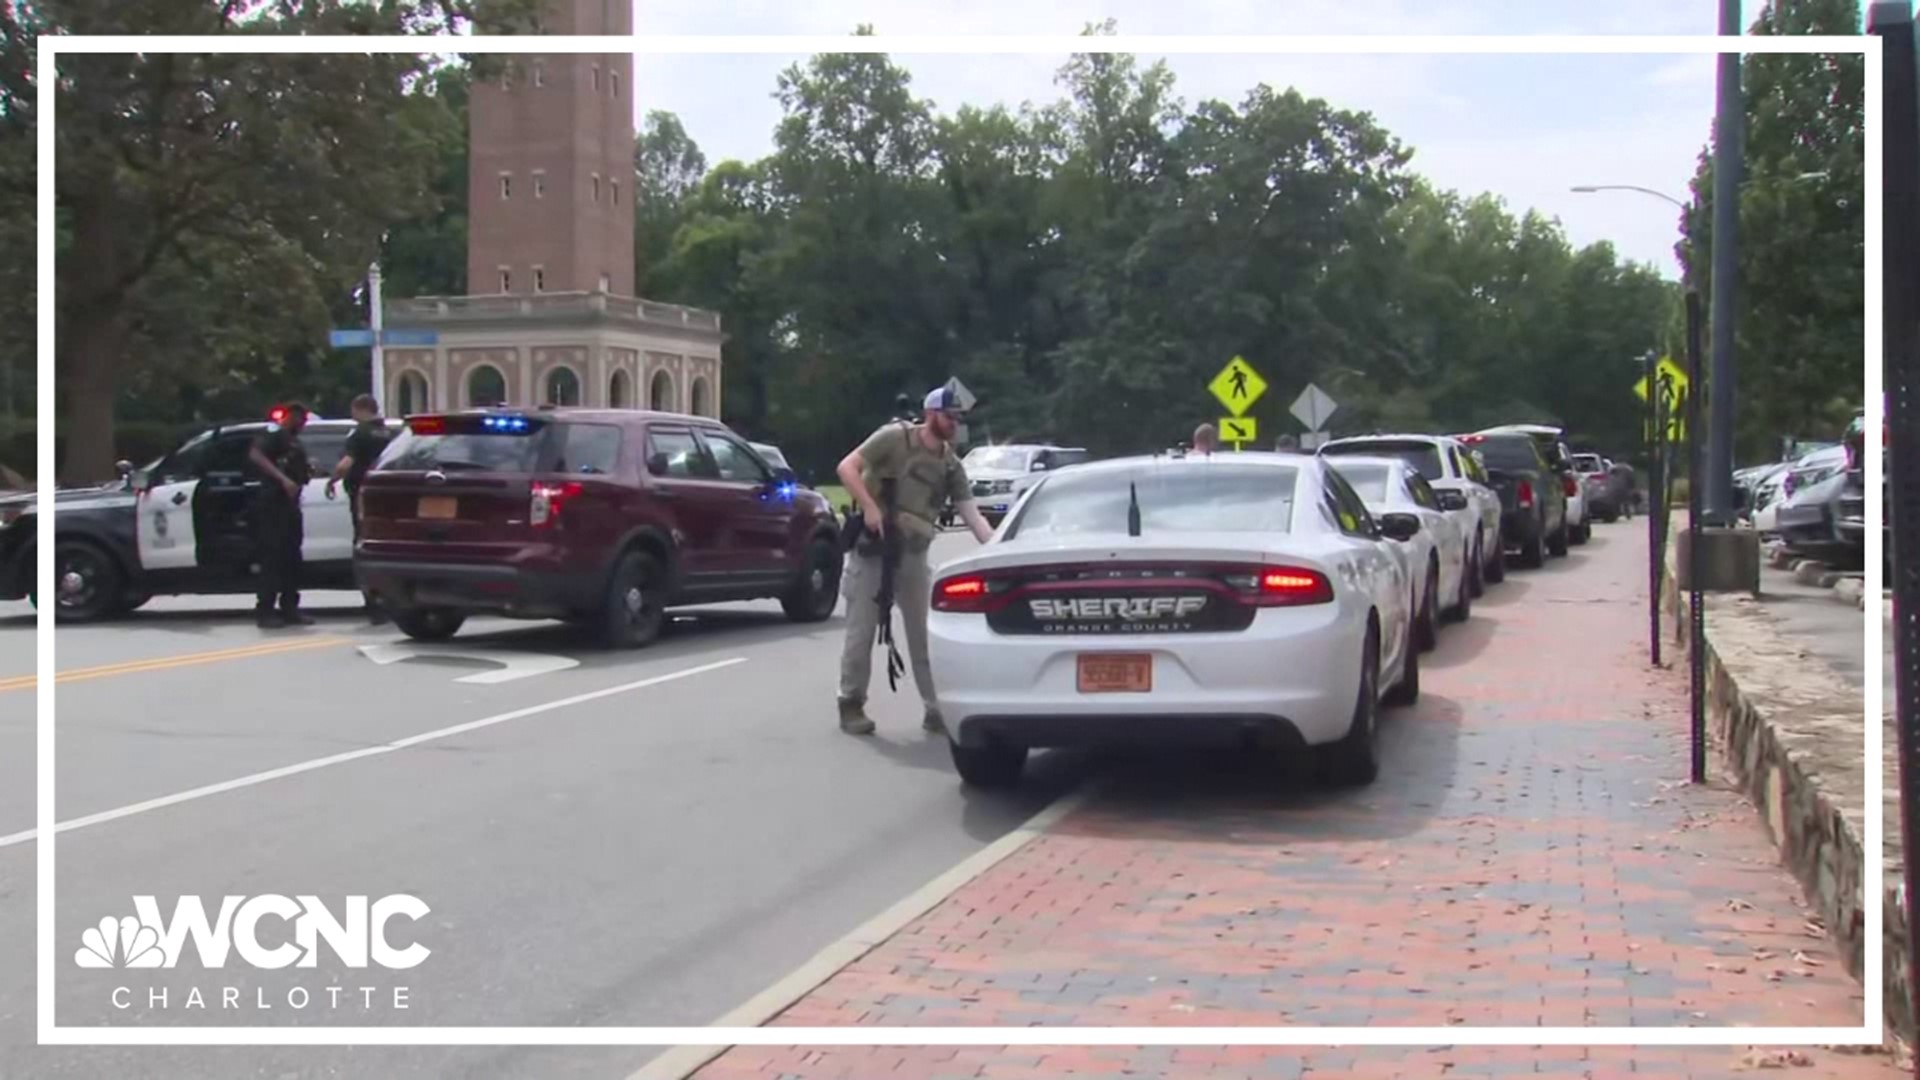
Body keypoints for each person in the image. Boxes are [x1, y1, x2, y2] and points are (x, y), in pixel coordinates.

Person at [834, 381, 995, 737]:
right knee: (861, 631)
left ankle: (936, 708)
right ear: (931, 414)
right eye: (949, 416)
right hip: (874, 547)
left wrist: (997, 548)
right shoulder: (894, 438)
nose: (955, 423)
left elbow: (973, 516)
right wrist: (872, 508)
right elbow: (847, 467)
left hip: (913, 554)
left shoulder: (951, 465)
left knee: (924, 634)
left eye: (958, 418)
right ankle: (851, 702)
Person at [326, 393, 393, 624]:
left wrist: (331, 480)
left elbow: (347, 463)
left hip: (364, 499)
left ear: (361, 409)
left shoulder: (360, 433)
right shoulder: (390, 433)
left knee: (364, 548)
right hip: (387, 500)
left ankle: (373, 604)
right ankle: (390, 601)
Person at [248, 402, 314, 629]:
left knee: (291, 559)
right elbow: (256, 455)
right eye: (301, 419)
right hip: (272, 503)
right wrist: (282, 479)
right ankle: (265, 611)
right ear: (291, 416)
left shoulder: (293, 441)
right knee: (272, 558)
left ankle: (290, 608)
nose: (303, 425)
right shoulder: (274, 433)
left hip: (291, 505)